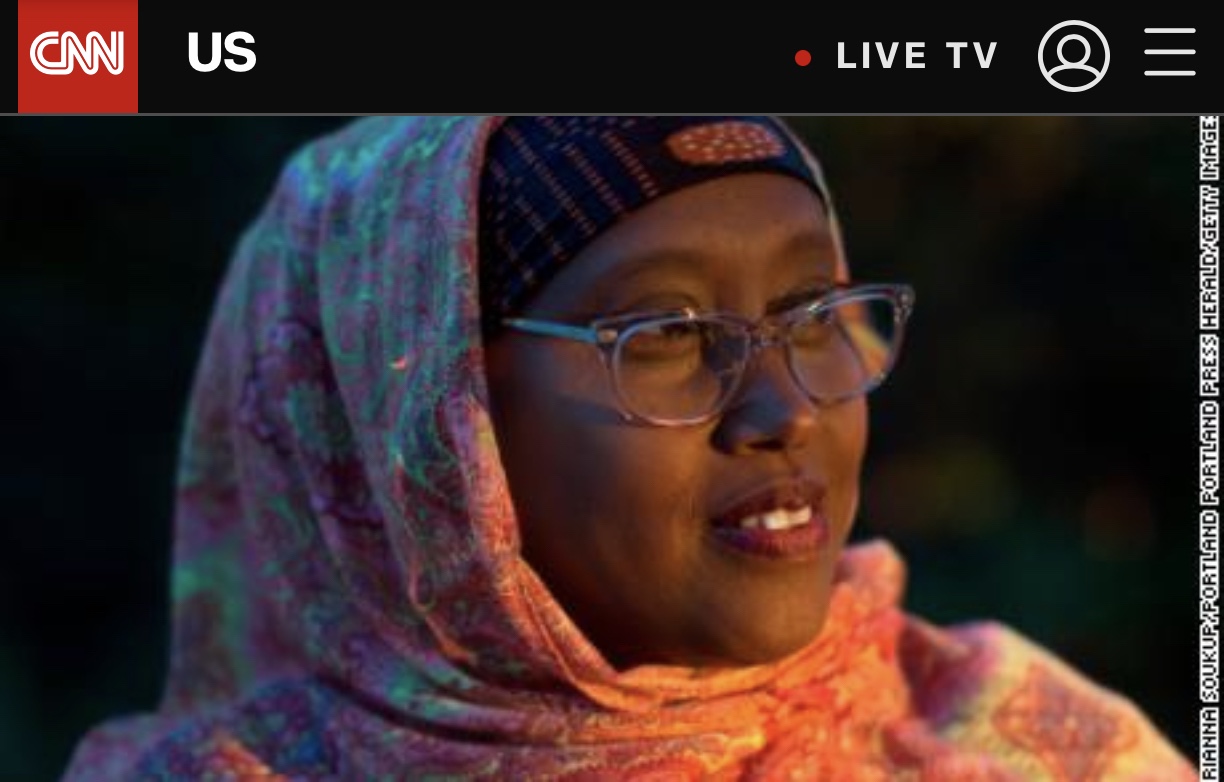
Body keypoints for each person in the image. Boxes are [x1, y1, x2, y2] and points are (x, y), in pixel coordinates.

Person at [62, 116, 1195, 780]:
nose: (780, 408)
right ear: (427, 433)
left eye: (815, 311)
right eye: (666, 334)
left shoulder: (1012, 745)